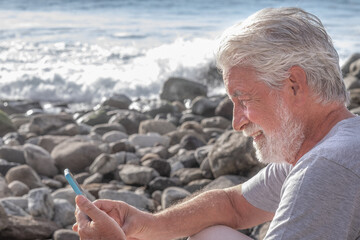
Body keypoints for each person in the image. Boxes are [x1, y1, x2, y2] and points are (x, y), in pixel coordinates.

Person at [73, 7, 360, 240]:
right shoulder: (333, 143)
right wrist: (143, 223)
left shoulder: (325, 167)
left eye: (244, 100)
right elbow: (232, 206)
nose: (237, 123)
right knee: (212, 234)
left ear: (294, 85)